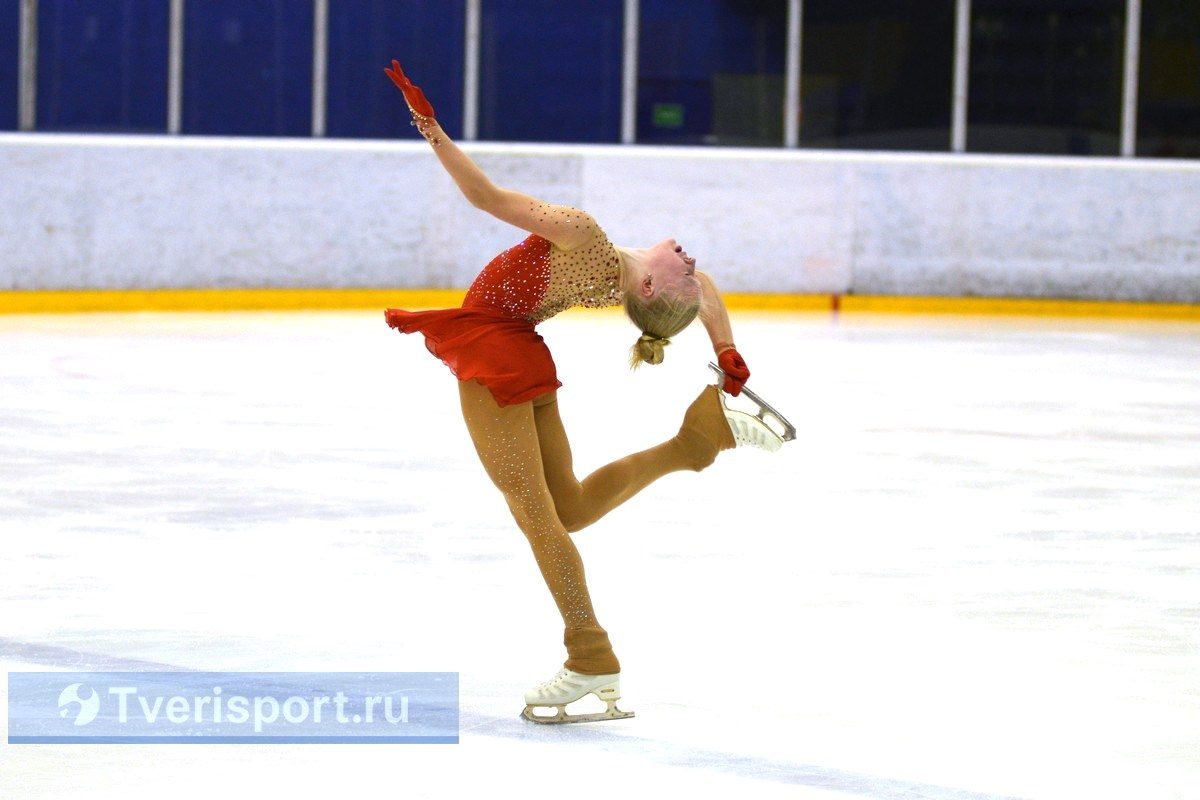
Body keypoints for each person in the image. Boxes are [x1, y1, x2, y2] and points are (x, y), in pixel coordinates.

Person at [381, 60, 763, 724]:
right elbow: (701, 294)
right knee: (571, 509)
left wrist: (431, 128)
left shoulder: (588, 240)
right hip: (520, 351)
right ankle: (692, 444)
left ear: (649, 290)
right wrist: (724, 351)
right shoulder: (620, 272)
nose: (694, 262)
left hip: (497, 352)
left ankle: (588, 653)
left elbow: (488, 200)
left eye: (686, 270)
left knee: (538, 517)